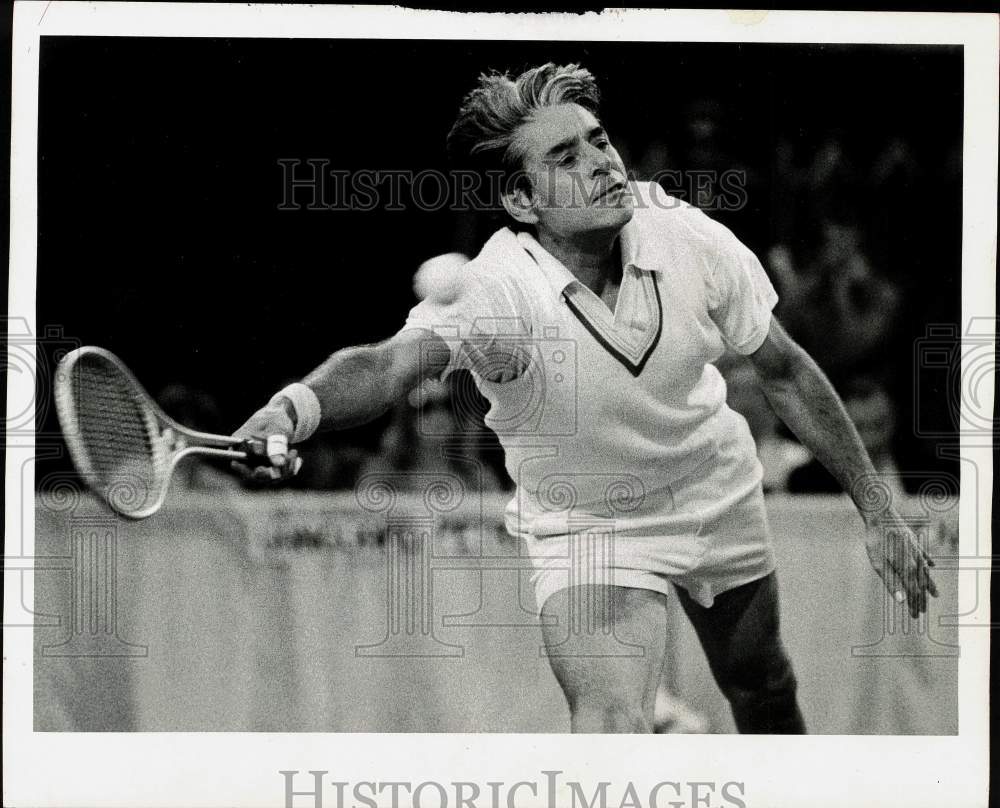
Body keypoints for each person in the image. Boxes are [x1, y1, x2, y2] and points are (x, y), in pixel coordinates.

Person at [232, 63, 936, 734]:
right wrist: (292, 409)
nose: (601, 162)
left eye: (599, 140)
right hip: (588, 522)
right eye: (565, 158)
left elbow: (783, 370)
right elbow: (388, 365)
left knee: (764, 687)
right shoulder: (500, 290)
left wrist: (876, 508)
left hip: (711, 485)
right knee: (611, 723)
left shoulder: (684, 233)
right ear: (520, 200)